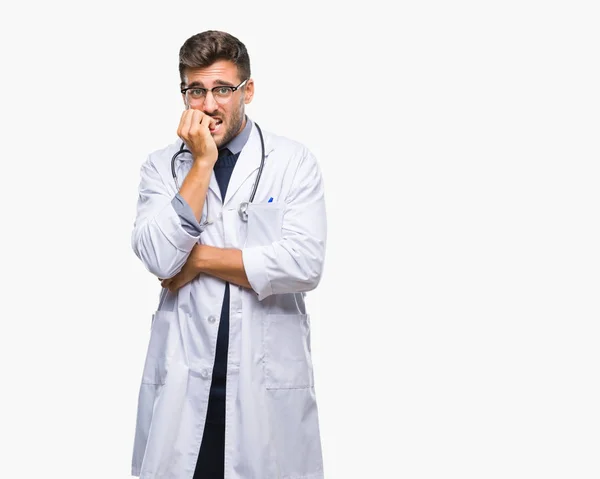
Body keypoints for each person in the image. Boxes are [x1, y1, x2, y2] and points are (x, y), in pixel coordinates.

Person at [130, 30, 327, 479]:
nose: (209, 104)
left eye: (222, 89)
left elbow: (303, 262)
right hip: (183, 388)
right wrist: (201, 163)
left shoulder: (292, 162)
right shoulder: (163, 167)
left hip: (264, 390)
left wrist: (196, 259)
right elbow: (161, 260)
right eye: (196, 91)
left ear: (248, 91)